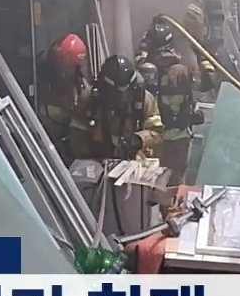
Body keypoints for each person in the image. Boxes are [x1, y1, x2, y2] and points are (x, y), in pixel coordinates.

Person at [141, 23, 215, 185]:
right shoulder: (183, 72)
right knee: (174, 185)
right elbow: (207, 82)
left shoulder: (143, 71)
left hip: (152, 140)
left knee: (150, 184)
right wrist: (202, 54)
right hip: (178, 140)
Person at [70, 54, 164, 162]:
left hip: (134, 161)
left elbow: (158, 132)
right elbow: (76, 131)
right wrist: (87, 152)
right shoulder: (89, 98)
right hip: (97, 161)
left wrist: (139, 139)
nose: (122, 98)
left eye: (126, 92)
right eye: (115, 93)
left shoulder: (144, 99)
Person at [36, 33, 89, 165]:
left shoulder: (80, 87)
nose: (71, 71)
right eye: (69, 65)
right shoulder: (39, 80)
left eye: (75, 67)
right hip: (41, 140)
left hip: (65, 145)